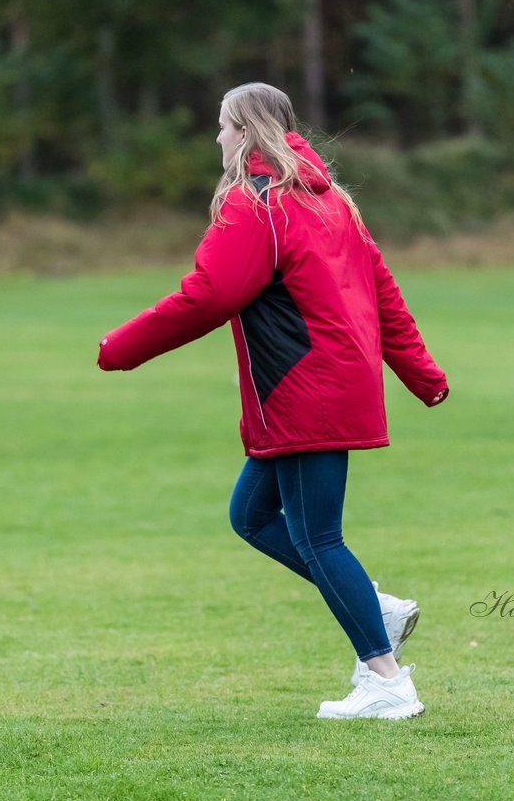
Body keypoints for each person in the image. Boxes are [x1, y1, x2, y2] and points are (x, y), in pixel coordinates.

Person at [97, 82, 448, 719]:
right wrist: (422, 375)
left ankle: (388, 683)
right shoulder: (330, 198)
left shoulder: (255, 202)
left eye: (224, 127)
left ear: (247, 131)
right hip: (326, 385)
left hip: (304, 390)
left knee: (319, 537)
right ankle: (378, 608)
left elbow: (209, 293)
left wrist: (121, 347)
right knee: (251, 516)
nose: (218, 138)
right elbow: (385, 291)